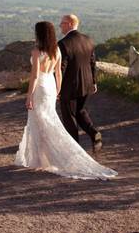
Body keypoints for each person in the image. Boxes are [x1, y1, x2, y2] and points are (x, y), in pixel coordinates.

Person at [14, 21, 117, 180]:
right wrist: (58, 90)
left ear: (39, 34)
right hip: (50, 86)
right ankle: (43, 159)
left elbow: (34, 76)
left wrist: (29, 96)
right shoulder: (56, 50)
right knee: (48, 120)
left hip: (40, 87)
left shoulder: (36, 52)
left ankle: (42, 159)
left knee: (39, 122)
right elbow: (59, 73)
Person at [57, 13, 102, 152]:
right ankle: (94, 133)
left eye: (62, 23)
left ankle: (74, 151)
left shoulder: (63, 44)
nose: (60, 26)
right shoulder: (88, 40)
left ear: (70, 24)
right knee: (80, 111)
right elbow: (93, 63)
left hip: (69, 87)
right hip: (87, 84)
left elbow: (61, 68)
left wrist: (57, 88)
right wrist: (94, 82)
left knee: (69, 117)